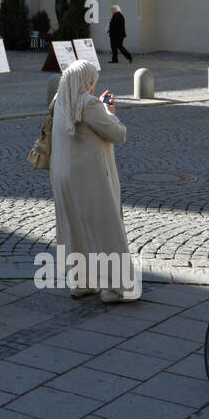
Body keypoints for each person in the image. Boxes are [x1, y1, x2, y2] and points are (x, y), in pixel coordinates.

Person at [49, 59, 138, 303]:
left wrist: (98, 105)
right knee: (105, 227)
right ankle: (115, 288)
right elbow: (117, 134)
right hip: (89, 177)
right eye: (91, 81)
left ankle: (81, 283)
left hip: (62, 175)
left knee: (73, 227)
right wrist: (109, 112)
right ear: (87, 81)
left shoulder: (60, 100)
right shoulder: (88, 104)